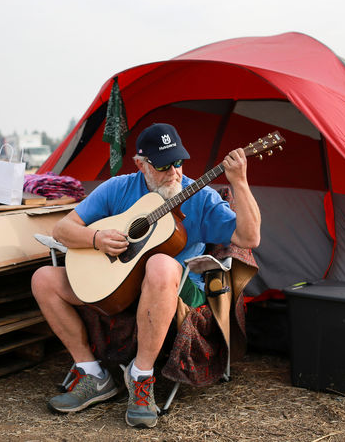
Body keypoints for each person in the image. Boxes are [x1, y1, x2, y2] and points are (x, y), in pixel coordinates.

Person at [31, 122, 261, 428]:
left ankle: (141, 378)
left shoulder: (201, 197)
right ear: (141, 164)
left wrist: (241, 182)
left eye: (179, 162)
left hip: (175, 287)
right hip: (121, 284)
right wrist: (96, 239)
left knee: (160, 264)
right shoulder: (119, 187)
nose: (174, 173)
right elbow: (62, 229)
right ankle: (92, 374)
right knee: (43, 279)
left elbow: (249, 238)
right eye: (164, 165)